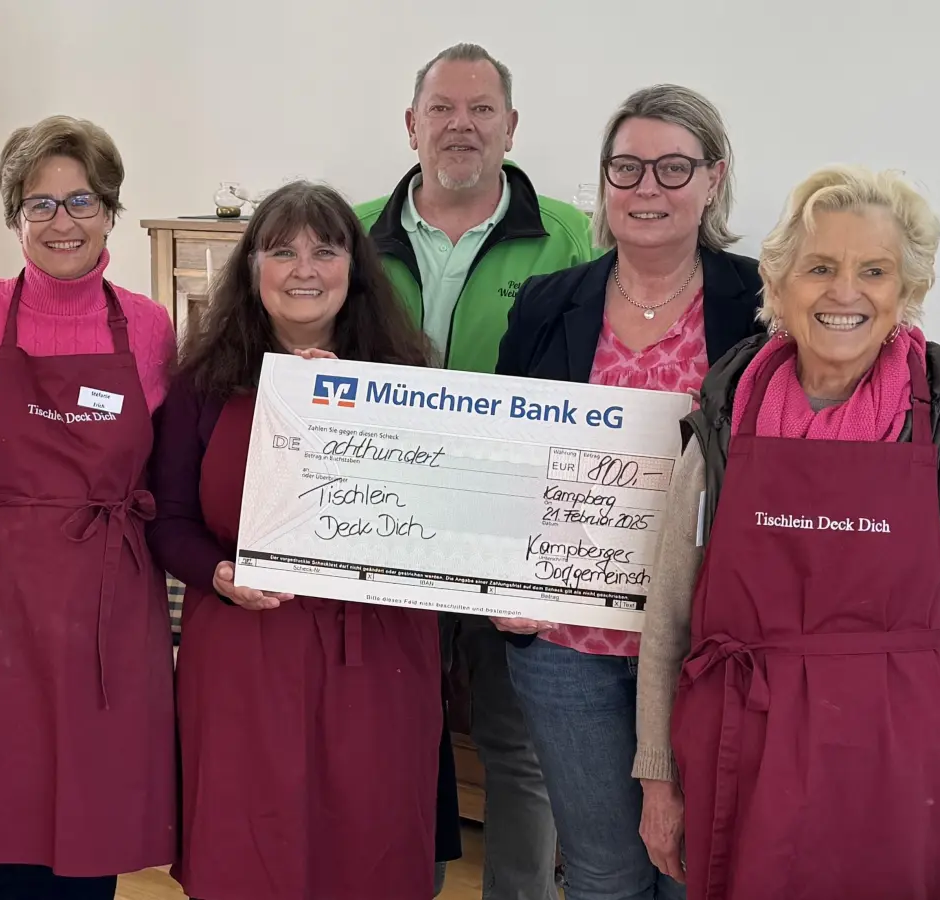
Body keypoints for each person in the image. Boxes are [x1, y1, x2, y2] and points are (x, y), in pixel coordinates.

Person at [635, 164, 940, 900]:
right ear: (782, 282)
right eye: (820, 267)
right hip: (745, 751)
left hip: (898, 775)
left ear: (907, 291)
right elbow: (668, 614)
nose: (846, 292)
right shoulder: (726, 418)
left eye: (875, 271)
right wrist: (659, 779)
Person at [492, 85, 762, 900]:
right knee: (603, 873)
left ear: (714, 179)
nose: (648, 188)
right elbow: (509, 454)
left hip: (704, 648)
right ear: (605, 182)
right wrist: (504, 577)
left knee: (700, 874)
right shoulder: (549, 302)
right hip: (571, 646)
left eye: (673, 167)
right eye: (627, 167)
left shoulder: (763, 305)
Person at [149, 180, 443, 900]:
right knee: (251, 846)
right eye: (281, 251)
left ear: (355, 268)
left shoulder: (406, 380)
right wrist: (218, 573)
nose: (303, 268)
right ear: (253, 269)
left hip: (377, 652)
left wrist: (356, 415)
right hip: (246, 650)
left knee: (368, 842)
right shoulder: (201, 382)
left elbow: (433, 523)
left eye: (325, 250)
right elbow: (169, 519)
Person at [356, 42, 595, 898]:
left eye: (481, 109)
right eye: (444, 109)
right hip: (382, 528)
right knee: (392, 730)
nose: (461, 125)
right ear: (411, 124)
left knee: (516, 744)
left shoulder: (571, 234)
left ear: (511, 127)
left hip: (513, 534)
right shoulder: (350, 231)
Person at [0, 114, 177, 900]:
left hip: (108, 601)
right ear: (14, 216)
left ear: (111, 212)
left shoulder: (148, 325)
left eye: (82, 201)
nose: (63, 222)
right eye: (41, 204)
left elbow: (173, 463)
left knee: (90, 820)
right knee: (8, 812)